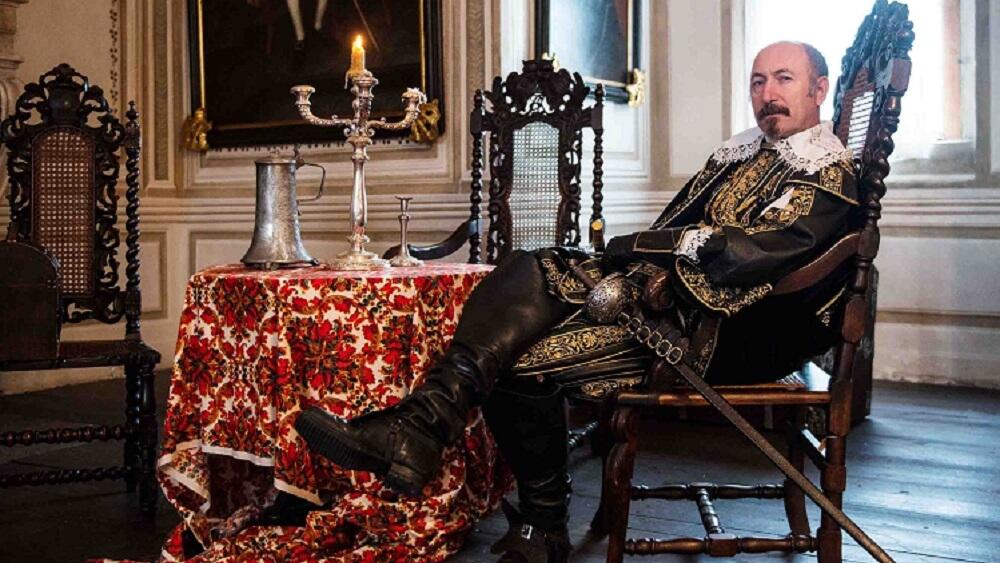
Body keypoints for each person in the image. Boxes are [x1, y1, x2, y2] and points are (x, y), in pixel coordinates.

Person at [295, 41, 860, 563]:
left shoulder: (826, 172)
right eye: (758, 81)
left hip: (724, 330)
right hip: (669, 300)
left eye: (783, 79)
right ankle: (425, 430)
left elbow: (747, 255)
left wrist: (641, 252)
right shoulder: (745, 153)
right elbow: (681, 227)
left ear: (819, 89)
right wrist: (644, 257)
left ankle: (518, 506)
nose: (768, 94)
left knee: (516, 358)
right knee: (527, 268)